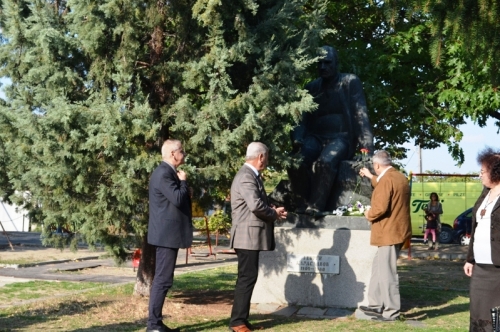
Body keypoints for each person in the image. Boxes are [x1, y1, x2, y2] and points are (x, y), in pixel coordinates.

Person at [288, 45, 374, 215]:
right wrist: (297, 138)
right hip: (316, 138)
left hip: (341, 138)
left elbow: (360, 115)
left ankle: (316, 206)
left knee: (325, 162)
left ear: (336, 63)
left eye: (327, 63)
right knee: (295, 162)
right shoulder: (311, 88)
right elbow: (301, 119)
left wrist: (367, 148)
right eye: (319, 63)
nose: (323, 67)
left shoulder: (349, 82)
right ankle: (302, 203)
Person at [229, 142, 288, 332]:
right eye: (267, 157)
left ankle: (241, 320)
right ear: (261, 157)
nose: (267, 160)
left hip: (248, 236)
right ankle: (237, 322)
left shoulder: (251, 176)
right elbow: (255, 206)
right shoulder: (246, 176)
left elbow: (256, 203)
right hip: (246, 236)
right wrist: (275, 214)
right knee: (247, 278)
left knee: (248, 277)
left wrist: (272, 210)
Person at [357, 150, 412, 321]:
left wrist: (368, 213)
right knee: (378, 269)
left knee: (387, 273)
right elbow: (382, 183)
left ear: (377, 165)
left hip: (388, 233)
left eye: (374, 167)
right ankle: (375, 305)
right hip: (396, 231)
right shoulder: (399, 177)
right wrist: (369, 176)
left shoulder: (386, 180)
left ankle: (391, 311)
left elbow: (380, 208)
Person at [146, 139, 192, 332]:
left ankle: (155, 324)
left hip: (167, 235)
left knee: (164, 279)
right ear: (173, 154)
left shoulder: (166, 172)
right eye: (181, 150)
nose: (184, 153)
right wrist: (183, 182)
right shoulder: (164, 173)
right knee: (162, 280)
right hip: (165, 236)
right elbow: (178, 198)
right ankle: (153, 325)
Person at [463, 147, 500, 332]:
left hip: (497, 269)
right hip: (480, 267)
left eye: (483, 171)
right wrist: (470, 259)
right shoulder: (485, 194)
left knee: (495, 319)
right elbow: (475, 228)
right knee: (477, 314)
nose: (480, 175)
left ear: (496, 172)